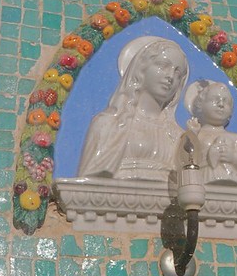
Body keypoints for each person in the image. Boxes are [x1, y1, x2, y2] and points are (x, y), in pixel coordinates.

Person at [78, 36, 189, 182]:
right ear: (140, 70)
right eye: (163, 66)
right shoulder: (109, 125)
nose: (170, 76)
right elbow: (88, 185)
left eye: (178, 73)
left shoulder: (179, 137)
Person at [184, 79, 237, 186]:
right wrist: (191, 136)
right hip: (204, 180)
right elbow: (186, 159)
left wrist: (233, 157)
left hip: (233, 181)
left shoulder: (235, 138)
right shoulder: (198, 135)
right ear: (200, 105)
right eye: (214, 100)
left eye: (226, 102)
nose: (221, 104)